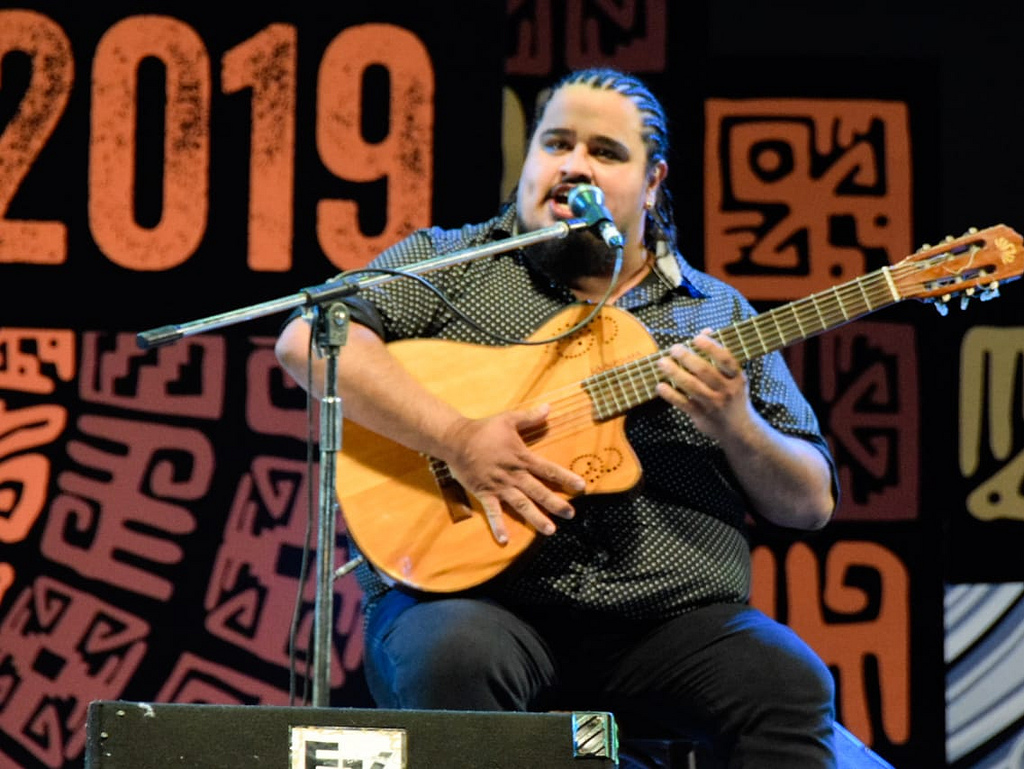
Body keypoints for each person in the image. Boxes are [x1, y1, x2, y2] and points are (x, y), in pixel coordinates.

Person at [276, 67, 839, 768]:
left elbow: (809, 502)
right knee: (454, 655)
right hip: (473, 604)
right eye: (556, 144)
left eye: (605, 152)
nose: (574, 165)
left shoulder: (715, 312)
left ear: (653, 181)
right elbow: (310, 340)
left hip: (667, 624)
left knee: (788, 683)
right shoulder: (448, 263)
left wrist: (738, 423)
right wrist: (457, 439)